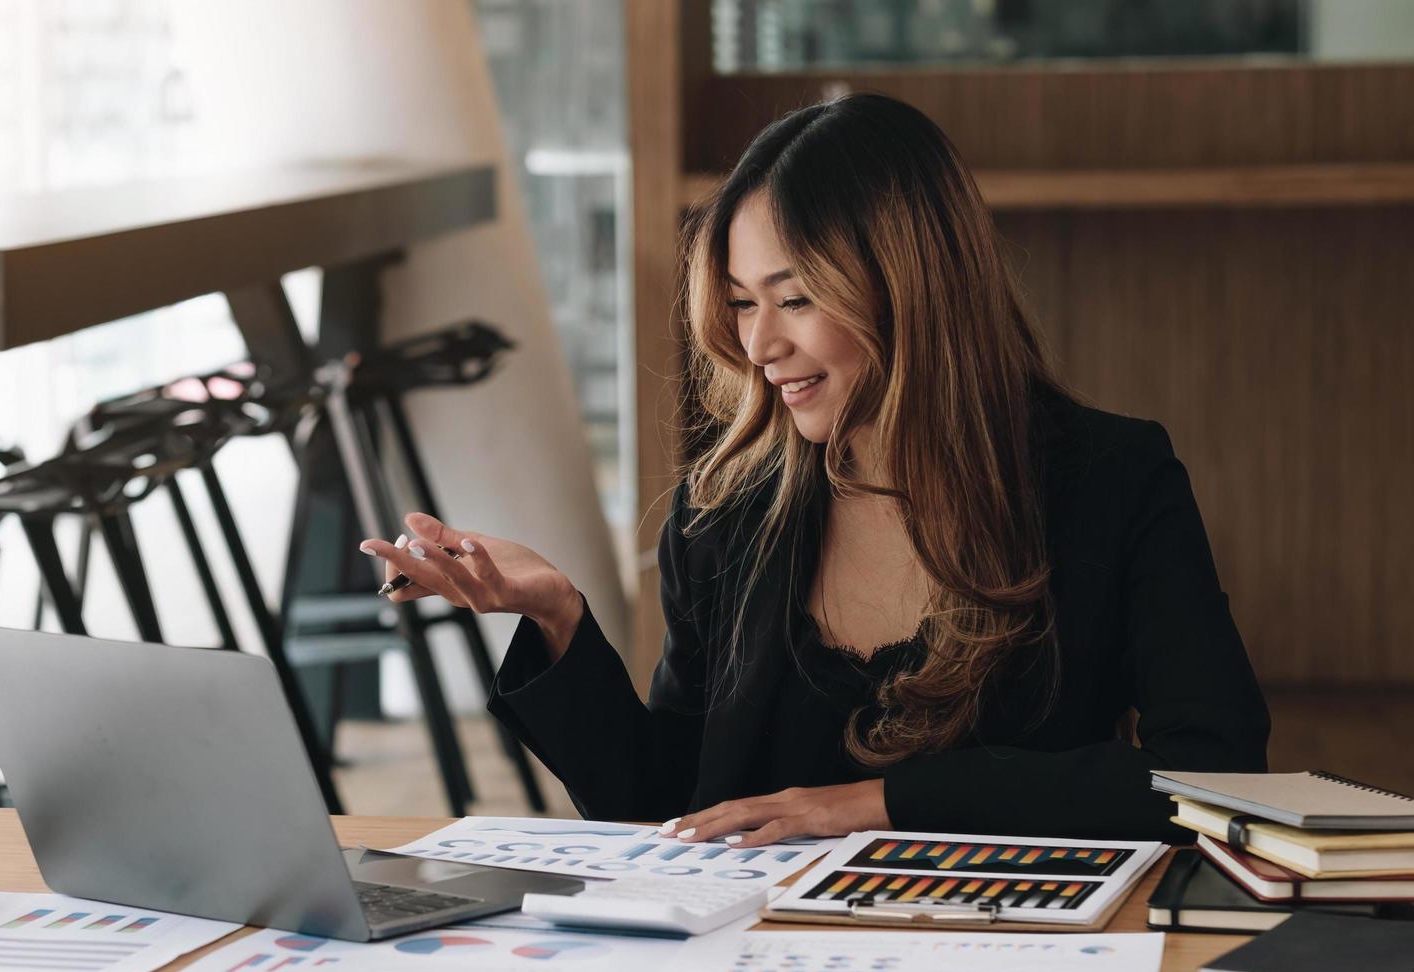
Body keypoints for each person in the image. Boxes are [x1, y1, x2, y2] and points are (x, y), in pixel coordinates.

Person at [358, 91, 1269, 845]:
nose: (759, 343)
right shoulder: (724, 514)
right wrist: (557, 618)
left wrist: (875, 806)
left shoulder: (1112, 478)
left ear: (911, 288)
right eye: (744, 302)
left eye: (795, 298)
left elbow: (1216, 773)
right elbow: (673, 810)